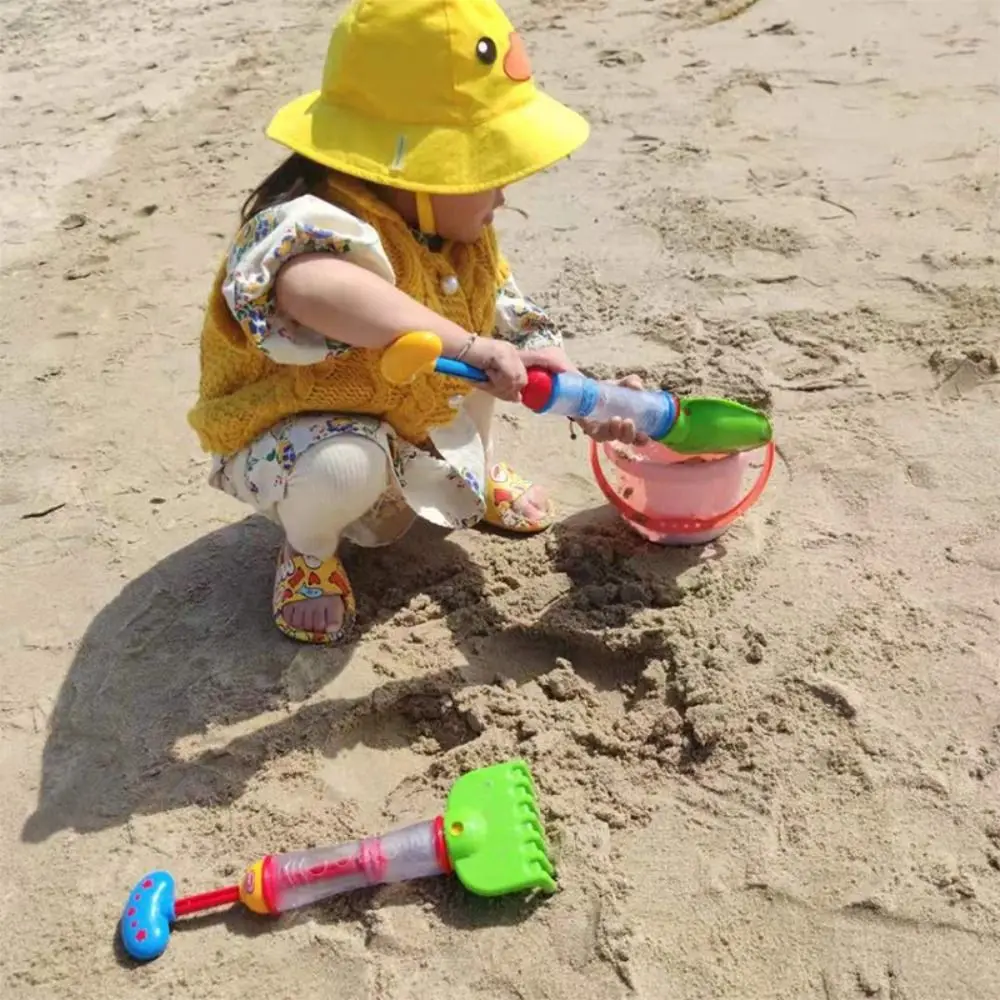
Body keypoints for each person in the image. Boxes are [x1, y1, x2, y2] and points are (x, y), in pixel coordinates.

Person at [188, 0, 647, 646]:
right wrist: (468, 343)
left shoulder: (456, 236)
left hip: (397, 411)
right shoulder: (306, 220)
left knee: (493, 359)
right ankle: (310, 552)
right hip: (295, 432)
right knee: (348, 464)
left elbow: (510, 320)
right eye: (489, 174)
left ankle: (477, 475)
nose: (503, 196)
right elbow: (311, 287)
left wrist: (580, 393)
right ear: (420, 169)